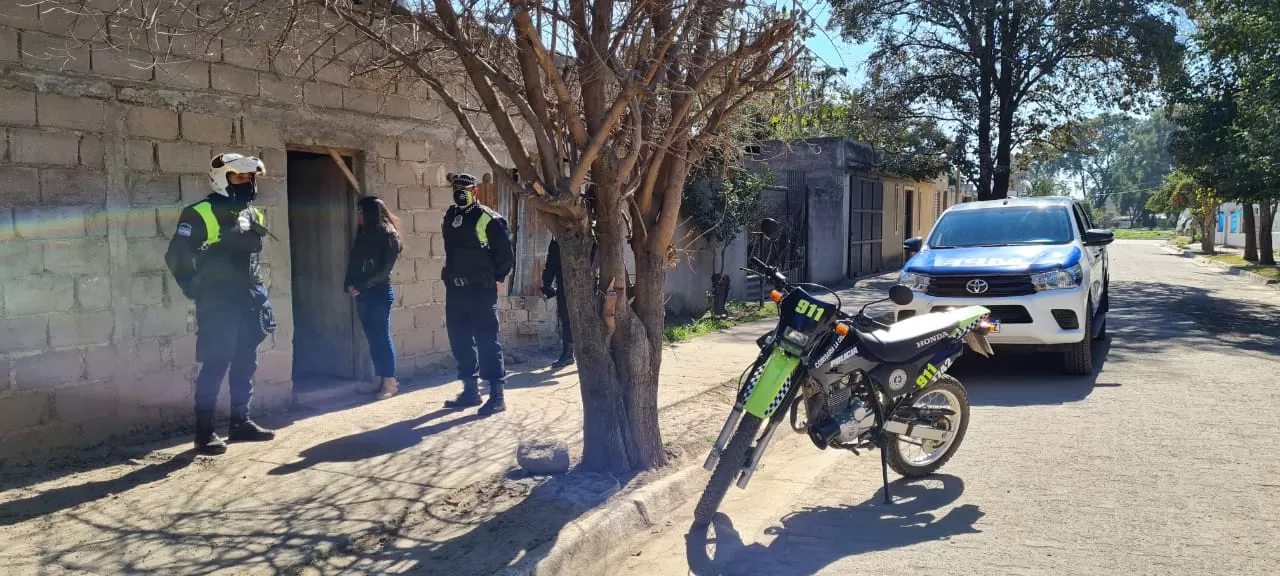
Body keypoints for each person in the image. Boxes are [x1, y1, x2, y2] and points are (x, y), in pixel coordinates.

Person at [165, 153, 277, 456]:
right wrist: (195, 289)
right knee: (216, 364)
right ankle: (204, 433)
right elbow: (176, 257)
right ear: (221, 178)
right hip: (219, 302)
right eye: (239, 177)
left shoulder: (254, 213)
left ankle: (241, 422)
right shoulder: (199, 212)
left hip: (250, 299)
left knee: (246, 362)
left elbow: (251, 255)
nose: (247, 182)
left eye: (249, 178)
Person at [440, 173, 514, 415]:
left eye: (466, 188)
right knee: (459, 339)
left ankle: (496, 395)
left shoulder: (489, 218)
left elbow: (505, 255)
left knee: (486, 341)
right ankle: (470, 391)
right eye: (456, 188)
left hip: (481, 290)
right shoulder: (450, 216)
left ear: (476, 192)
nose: (460, 192)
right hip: (456, 290)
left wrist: (496, 279)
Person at [345, 196, 404, 400]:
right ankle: (379, 379)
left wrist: (360, 286)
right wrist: (349, 284)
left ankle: (390, 382)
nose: (359, 215)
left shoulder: (389, 236)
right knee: (372, 338)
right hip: (362, 292)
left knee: (381, 336)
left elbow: (383, 270)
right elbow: (354, 261)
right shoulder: (364, 234)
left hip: (379, 292)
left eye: (362, 211)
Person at [540, 239, 574, 369]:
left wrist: (547, 285)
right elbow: (550, 264)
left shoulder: (560, 239)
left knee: (568, 321)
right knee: (566, 321)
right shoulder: (558, 240)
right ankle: (568, 354)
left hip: (578, 286)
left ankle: (569, 354)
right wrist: (547, 286)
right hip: (565, 286)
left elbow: (550, 264)